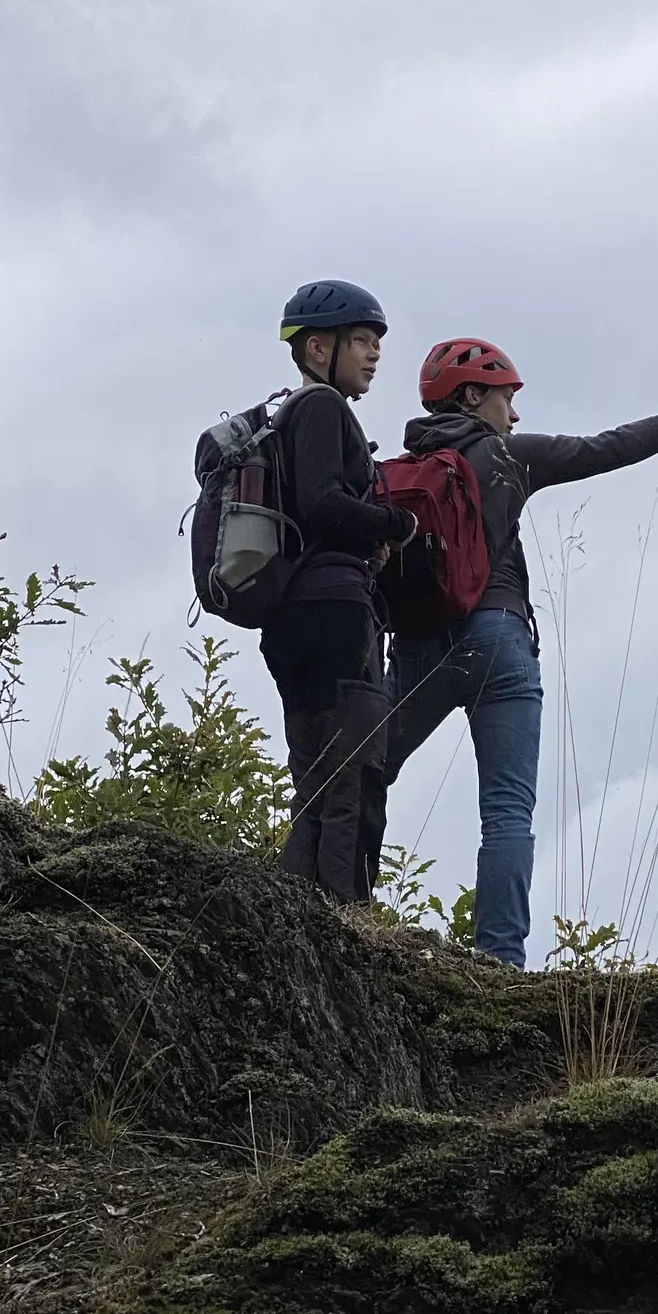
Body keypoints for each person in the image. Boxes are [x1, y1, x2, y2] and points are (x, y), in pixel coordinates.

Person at [386, 340, 658, 967]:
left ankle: (336, 909)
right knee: (507, 811)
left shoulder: (397, 473)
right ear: (472, 396)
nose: (515, 414)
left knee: (363, 771)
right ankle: (500, 962)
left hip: (419, 646)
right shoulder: (509, 457)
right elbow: (607, 447)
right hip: (500, 640)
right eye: (506, 398)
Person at [259, 280, 417, 904]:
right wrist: (394, 523)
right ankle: (344, 920)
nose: (374, 354)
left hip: (291, 616)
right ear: (318, 347)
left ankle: (297, 915)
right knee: (354, 774)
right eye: (361, 340)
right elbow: (323, 503)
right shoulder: (323, 407)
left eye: (377, 342)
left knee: (314, 779)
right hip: (336, 614)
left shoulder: (287, 416)